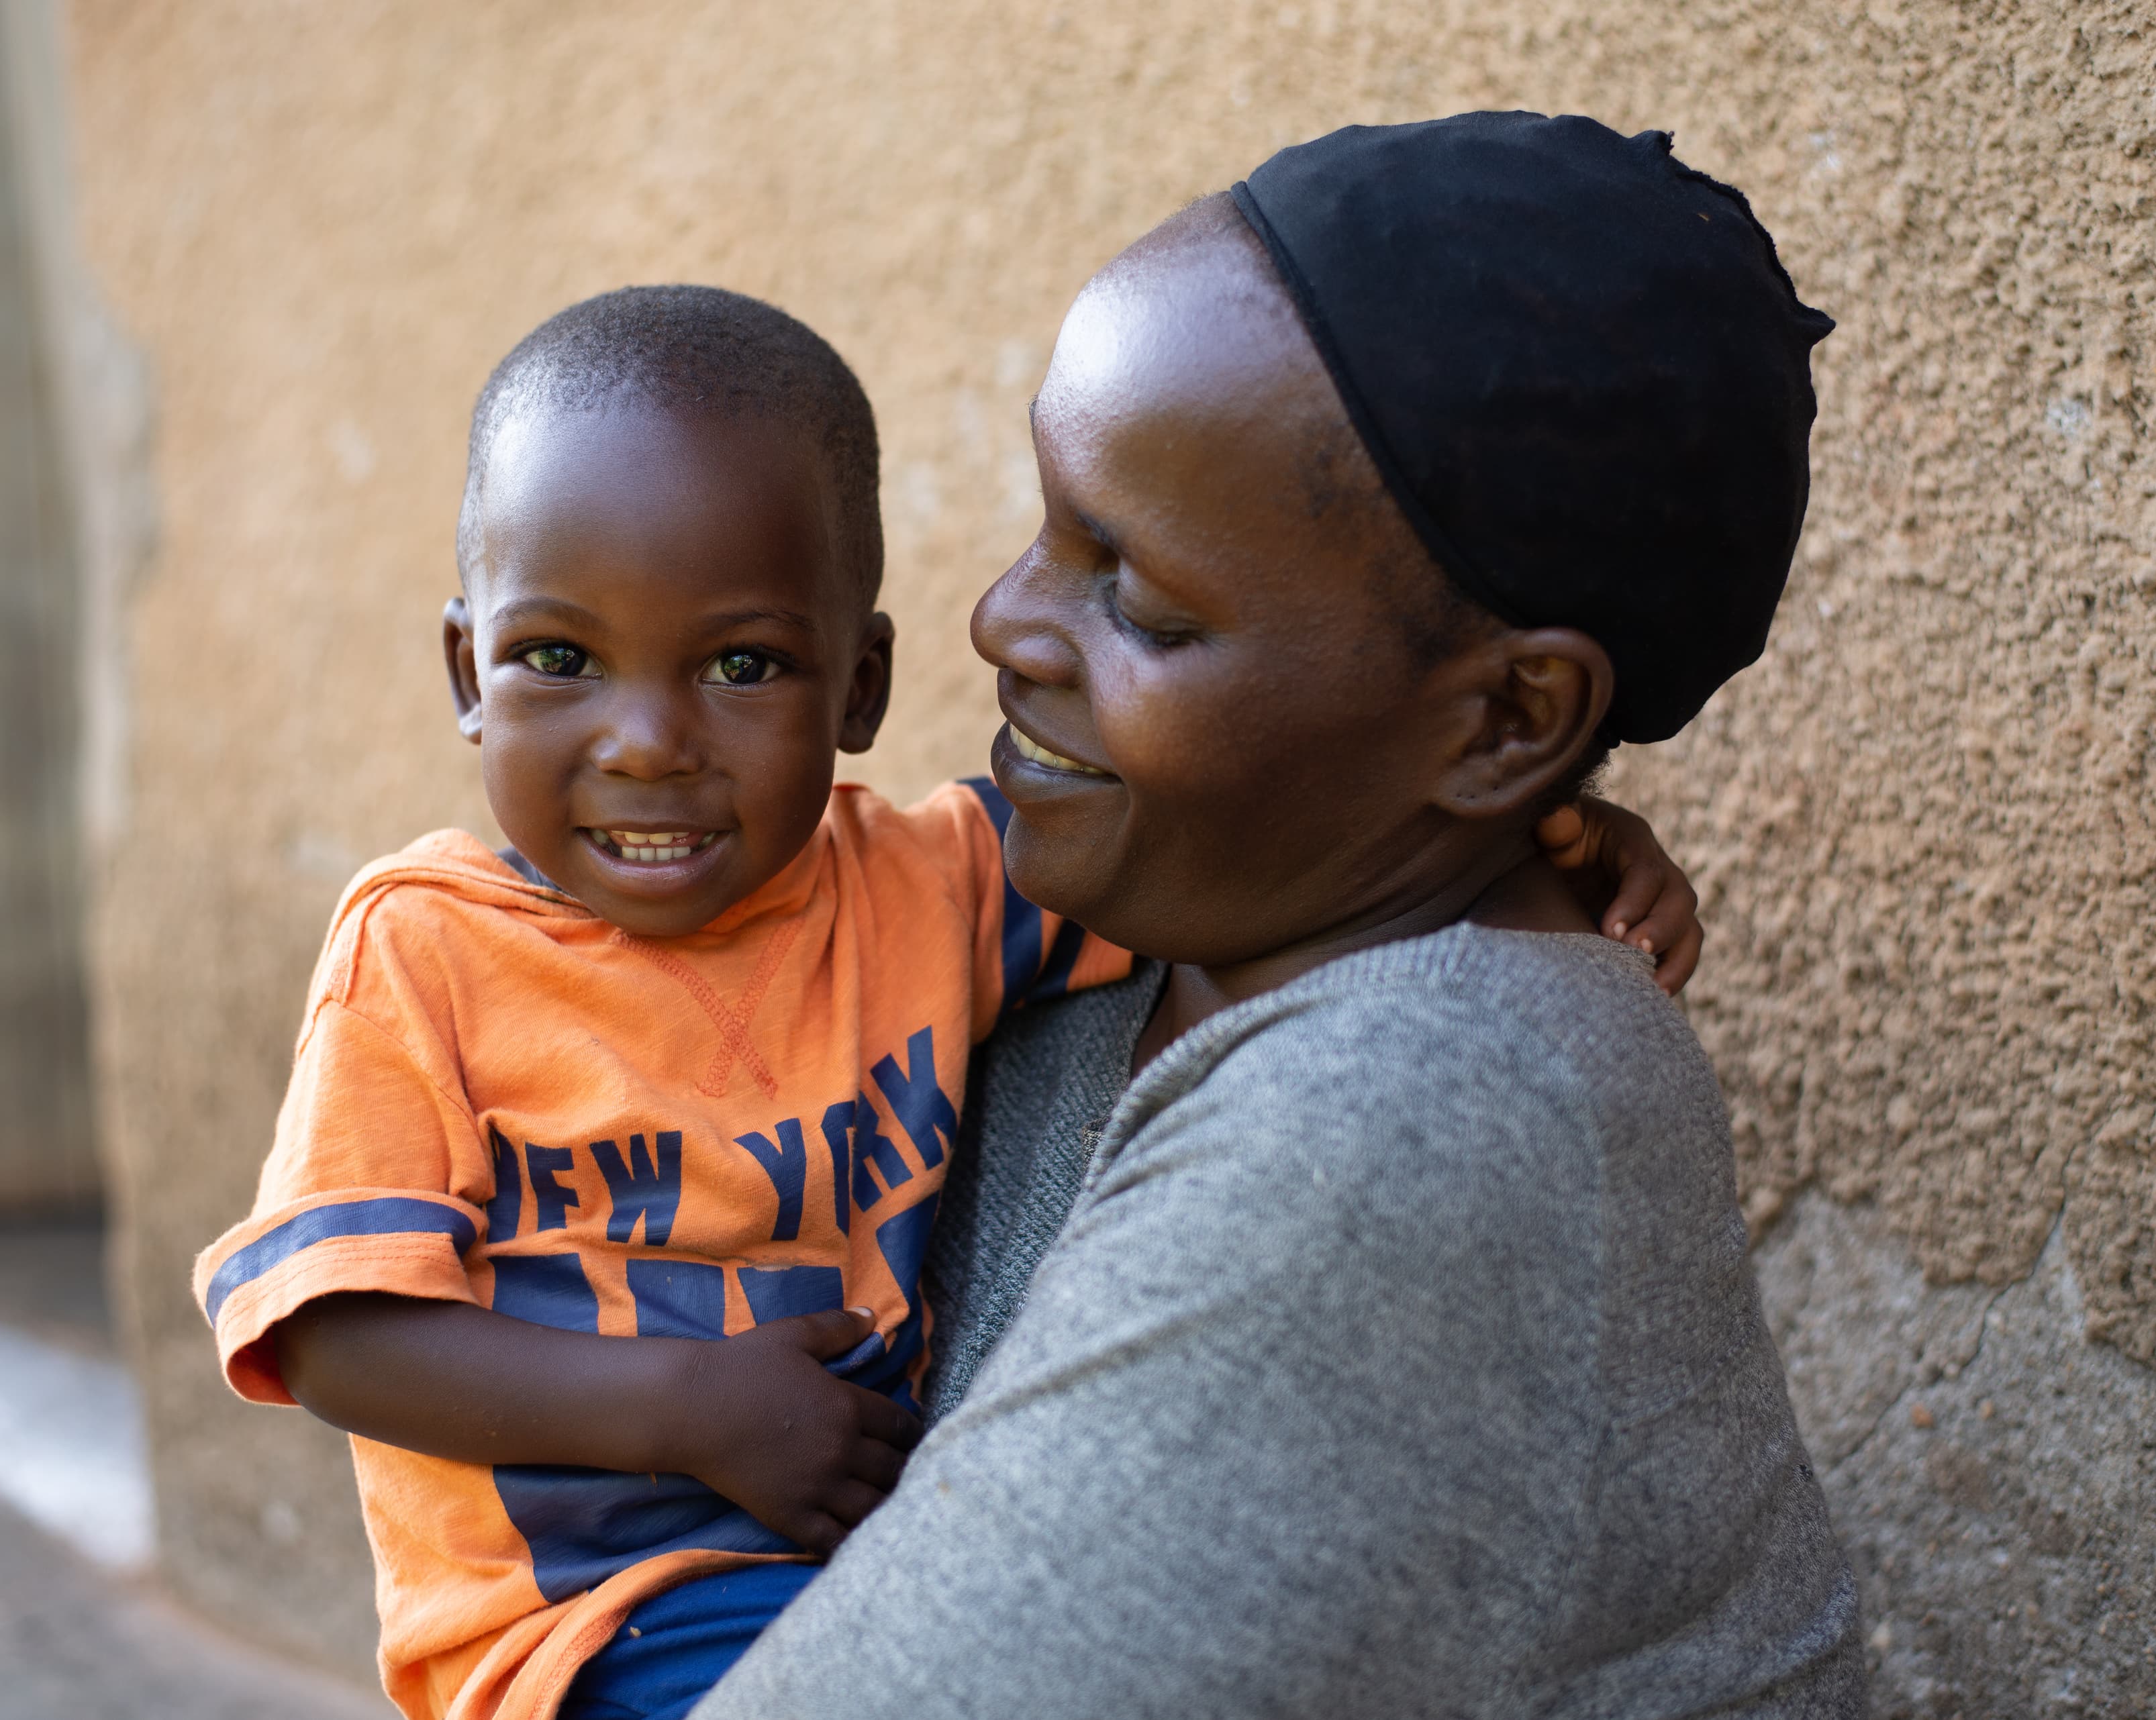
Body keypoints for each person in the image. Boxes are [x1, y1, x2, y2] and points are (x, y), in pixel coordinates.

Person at [188, 283, 1701, 1720]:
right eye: (558, 657)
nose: (646, 740)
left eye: (740, 664)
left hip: (869, 1570)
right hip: (590, 1630)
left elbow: (1259, 868)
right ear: (467, 670)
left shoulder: (933, 885)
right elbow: (337, 1341)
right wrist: (688, 1411)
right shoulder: (426, 948)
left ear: (858, 689)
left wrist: (1516, 831)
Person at [697, 113, 1861, 1717]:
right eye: (1050, 524)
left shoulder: (1407, 1118)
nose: (1001, 620)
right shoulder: (1113, 957)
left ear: (1509, 723)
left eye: (1144, 601)